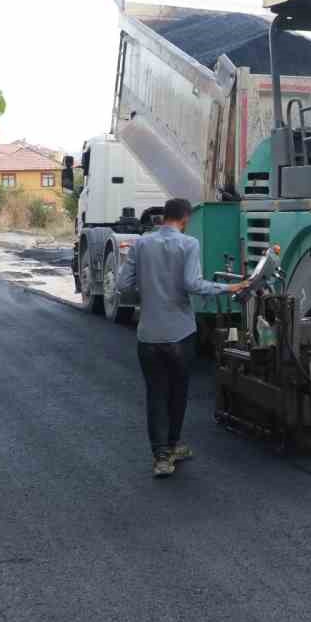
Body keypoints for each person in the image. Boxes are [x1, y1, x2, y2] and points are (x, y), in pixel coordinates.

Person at [118, 198, 245, 478]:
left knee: (156, 394)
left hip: (149, 335)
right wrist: (228, 287)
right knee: (178, 392)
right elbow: (192, 284)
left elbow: (122, 285)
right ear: (185, 219)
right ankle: (174, 445)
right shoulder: (189, 244)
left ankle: (161, 457)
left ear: (164, 217)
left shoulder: (141, 244)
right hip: (180, 333)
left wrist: (148, 293)